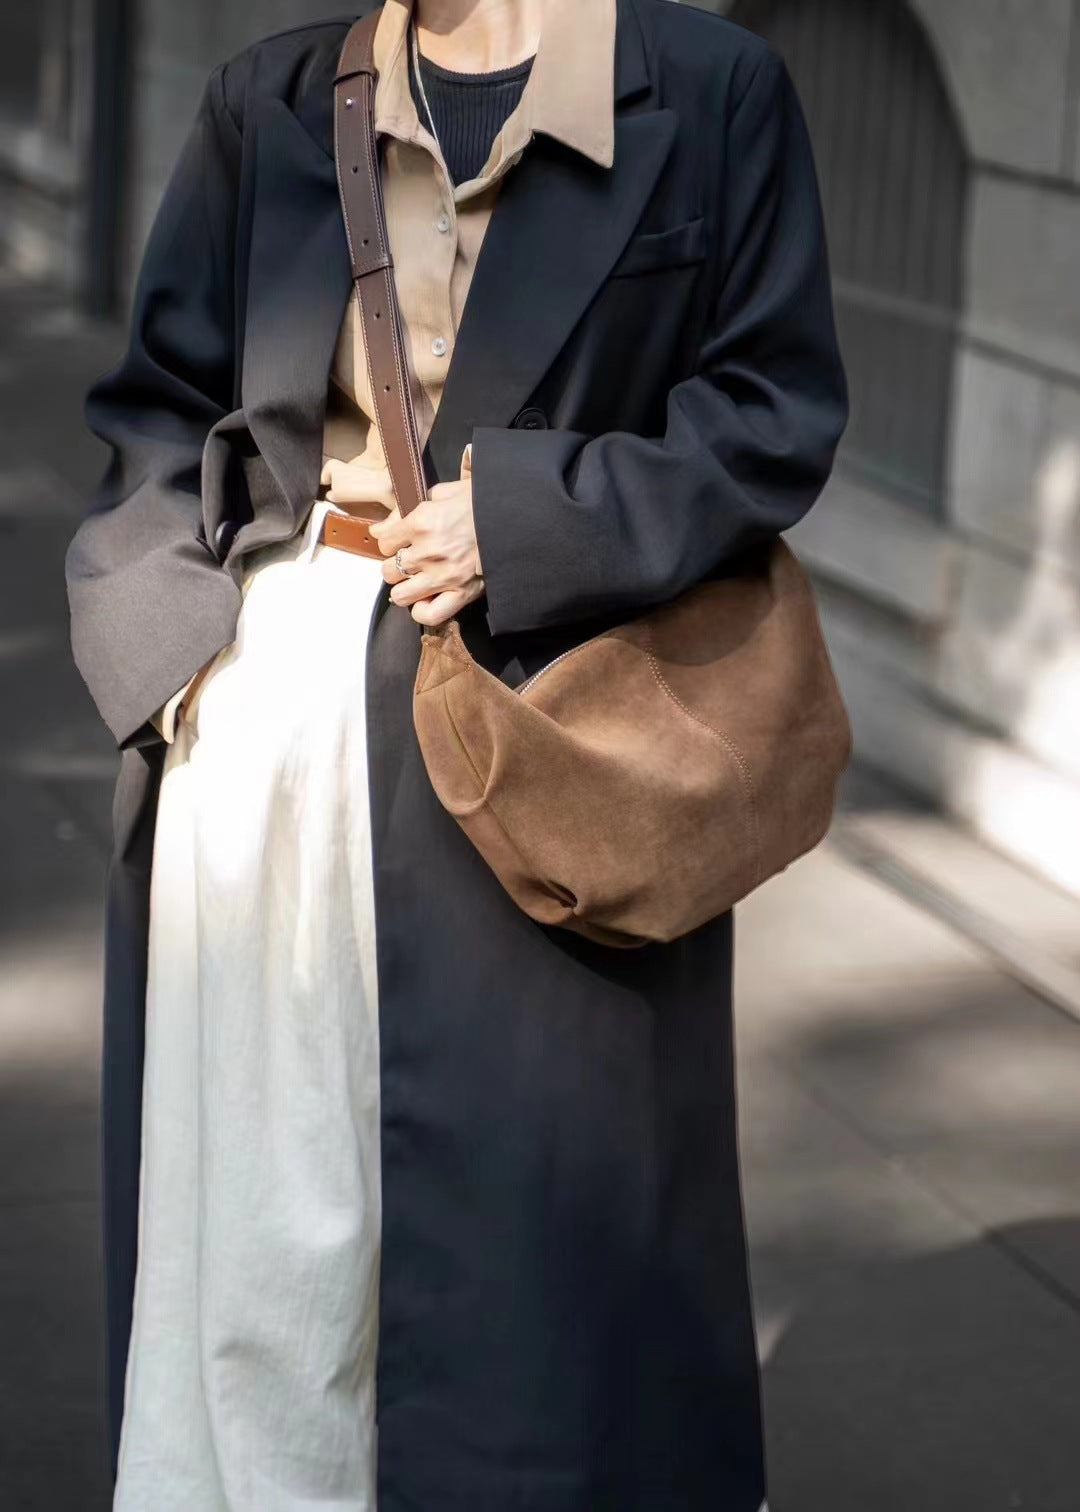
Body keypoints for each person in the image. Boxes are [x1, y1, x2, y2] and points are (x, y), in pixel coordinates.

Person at [65, 0, 848, 1506]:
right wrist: (174, 670)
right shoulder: (272, 96)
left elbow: (772, 412)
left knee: (547, 1262)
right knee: (265, 1235)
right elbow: (157, 412)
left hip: (560, 723)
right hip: (265, 726)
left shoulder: (712, 88)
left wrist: (536, 520)